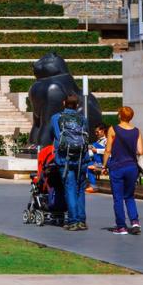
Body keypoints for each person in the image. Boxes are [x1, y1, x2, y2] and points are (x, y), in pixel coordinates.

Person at [49, 95, 89, 231]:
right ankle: (82, 220)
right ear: (77, 105)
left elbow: (54, 134)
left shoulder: (56, 117)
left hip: (64, 158)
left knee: (70, 188)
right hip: (81, 158)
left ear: (64, 103)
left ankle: (73, 221)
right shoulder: (83, 119)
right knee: (80, 189)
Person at [103, 106, 143, 235]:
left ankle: (121, 226)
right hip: (132, 166)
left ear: (120, 115)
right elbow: (140, 151)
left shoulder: (113, 129)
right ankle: (135, 221)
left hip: (117, 166)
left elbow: (108, 150)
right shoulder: (137, 131)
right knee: (129, 196)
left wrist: (104, 165)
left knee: (118, 198)